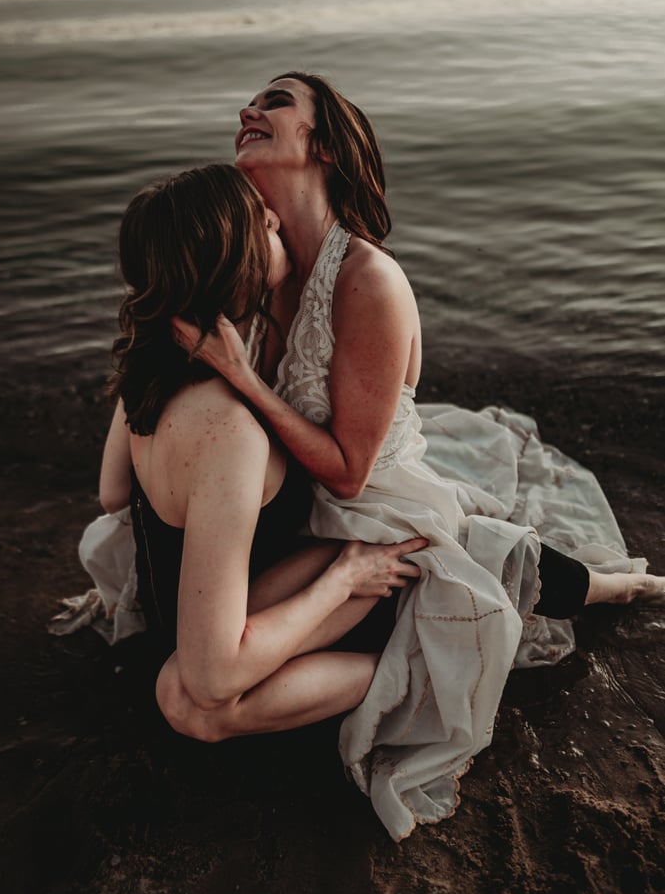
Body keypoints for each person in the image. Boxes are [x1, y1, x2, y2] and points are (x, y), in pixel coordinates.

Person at [171, 72, 665, 840]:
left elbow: (348, 471)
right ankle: (589, 583)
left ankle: (611, 590)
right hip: (300, 515)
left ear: (323, 145)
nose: (246, 110)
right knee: (204, 664)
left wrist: (239, 377)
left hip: (373, 512)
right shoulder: (259, 269)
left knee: (520, 571)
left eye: (273, 102)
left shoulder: (367, 280)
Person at [99, 161, 428, 743]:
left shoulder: (148, 373)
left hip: (186, 610)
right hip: (253, 619)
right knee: (194, 698)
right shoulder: (231, 433)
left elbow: (112, 494)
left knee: (183, 691)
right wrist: (344, 581)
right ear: (232, 258)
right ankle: (417, 677)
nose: (274, 215)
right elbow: (214, 675)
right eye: (258, 217)